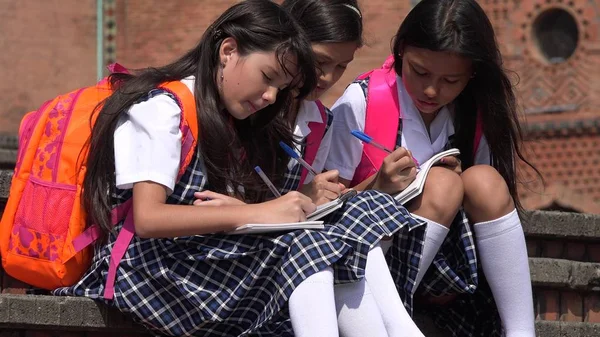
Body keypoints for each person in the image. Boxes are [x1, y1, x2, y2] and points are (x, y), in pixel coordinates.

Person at [52, 1, 372, 336]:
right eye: (267, 78)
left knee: (349, 232)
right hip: (144, 274)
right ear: (228, 50)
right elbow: (148, 218)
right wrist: (260, 213)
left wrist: (260, 212)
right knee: (315, 250)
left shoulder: (235, 119)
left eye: (280, 87)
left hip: (200, 263)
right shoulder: (164, 109)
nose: (270, 96)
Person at [325, 0, 537, 336]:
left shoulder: (476, 110)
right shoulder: (362, 101)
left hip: (456, 270)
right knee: (442, 184)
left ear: (472, 74)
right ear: (401, 52)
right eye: (419, 71)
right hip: (378, 264)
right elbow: (322, 208)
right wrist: (377, 185)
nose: (431, 90)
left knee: (484, 179)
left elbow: (492, 201)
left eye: (451, 80)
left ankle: (522, 331)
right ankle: (392, 320)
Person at [277, 1, 426, 336]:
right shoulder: (254, 108)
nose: (328, 77)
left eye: (342, 66)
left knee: (359, 217)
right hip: (266, 252)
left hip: (305, 242)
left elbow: (324, 205)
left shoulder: (319, 121)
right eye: (319, 62)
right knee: (334, 242)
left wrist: (374, 185)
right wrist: (303, 196)